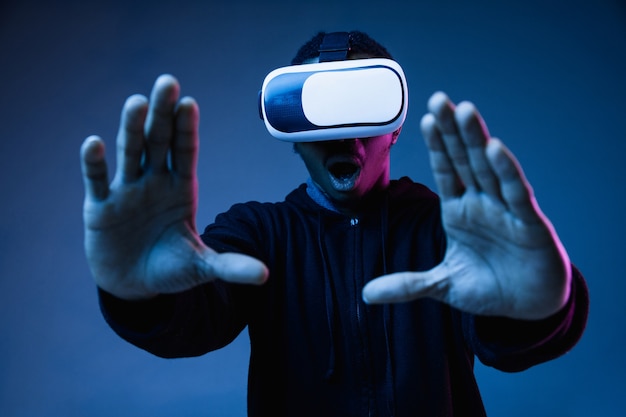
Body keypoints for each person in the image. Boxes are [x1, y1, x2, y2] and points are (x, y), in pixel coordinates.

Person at [80, 31, 589, 416]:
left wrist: (538, 311)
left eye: (362, 110)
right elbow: (191, 323)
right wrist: (140, 297)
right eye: (318, 113)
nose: (343, 135)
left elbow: (506, 337)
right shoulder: (258, 234)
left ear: (392, 128)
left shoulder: (449, 230)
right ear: (293, 137)